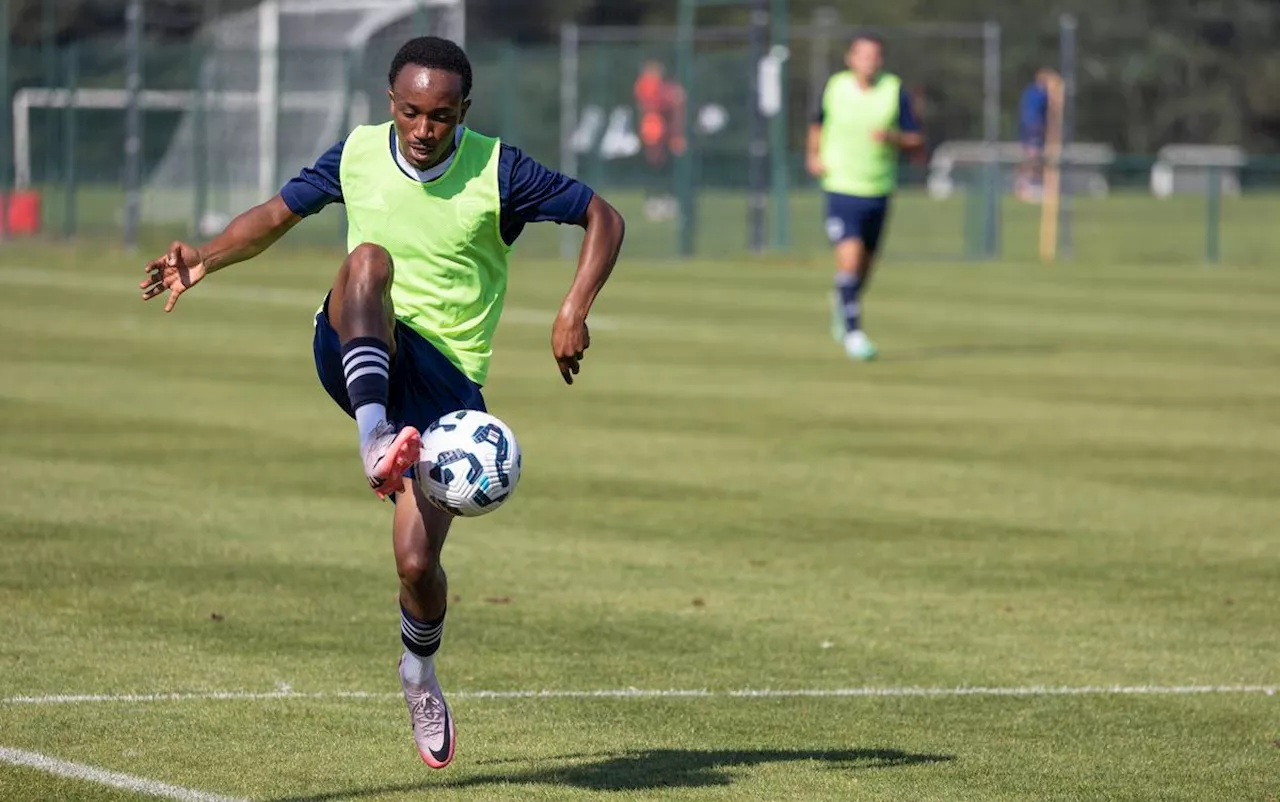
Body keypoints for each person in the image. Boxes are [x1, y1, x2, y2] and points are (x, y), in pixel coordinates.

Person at [140, 37, 625, 769]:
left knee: (413, 563)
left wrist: (573, 307)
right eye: (410, 112)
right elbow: (277, 214)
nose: (424, 130)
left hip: (448, 392)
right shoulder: (359, 153)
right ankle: (375, 439)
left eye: (440, 115)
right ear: (389, 103)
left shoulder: (499, 170)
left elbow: (603, 216)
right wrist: (203, 258)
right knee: (365, 263)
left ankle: (418, 675)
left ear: (464, 110)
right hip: (359, 340)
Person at [807, 34, 924, 361]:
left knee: (864, 270)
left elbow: (915, 137)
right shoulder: (835, 87)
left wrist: (893, 138)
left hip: (878, 188)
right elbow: (817, 123)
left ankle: (842, 303)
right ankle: (854, 333)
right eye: (863, 55)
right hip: (841, 184)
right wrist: (813, 154)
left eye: (875, 56)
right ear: (850, 58)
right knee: (849, 256)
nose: (868, 61)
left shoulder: (893, 90)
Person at [633, 60, 686, 221]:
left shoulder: (662, 87)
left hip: (664, 131)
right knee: (655, 165)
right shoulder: (646, 86)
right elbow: (651, 105)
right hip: (653, 130)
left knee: (666, 166)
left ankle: (666, 199)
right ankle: (653, 199)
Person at [1017, 68, 1057, 202]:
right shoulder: (1038, 93)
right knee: (1032, 156)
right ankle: (1027, 185)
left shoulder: (1030, 91)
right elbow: (1050, 102)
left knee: (1034, 155)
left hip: (1030, 126)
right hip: (1033, 126)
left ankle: (1030, 183)